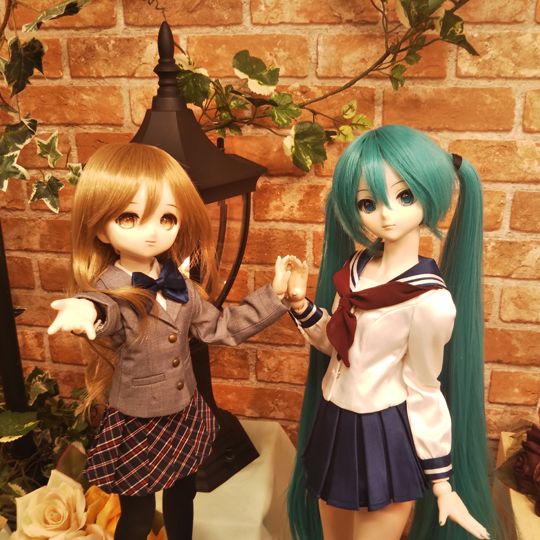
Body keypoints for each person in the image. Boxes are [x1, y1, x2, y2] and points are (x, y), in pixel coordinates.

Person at [47, 142, 292, 540]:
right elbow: (105, 310)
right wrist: (86, 311)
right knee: (138, 515)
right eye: (130, 217)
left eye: (167, 218)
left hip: (185, 413)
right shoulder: (111, 289)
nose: (152, 232)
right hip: (139, 421)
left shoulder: (180, 284)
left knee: (183, 496)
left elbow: (221, 328)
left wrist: (275, 296)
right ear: (100, 228)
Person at [284, 125, 498, 540]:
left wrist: (442, 483)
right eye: (368, 202)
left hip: (382, 434)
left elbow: (424, 387)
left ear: (430, 193)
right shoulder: (357, 270)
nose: (386, 215)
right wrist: (299, 304)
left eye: (404, 196)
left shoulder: (429, 302)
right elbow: (341, 347)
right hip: (333, 423)